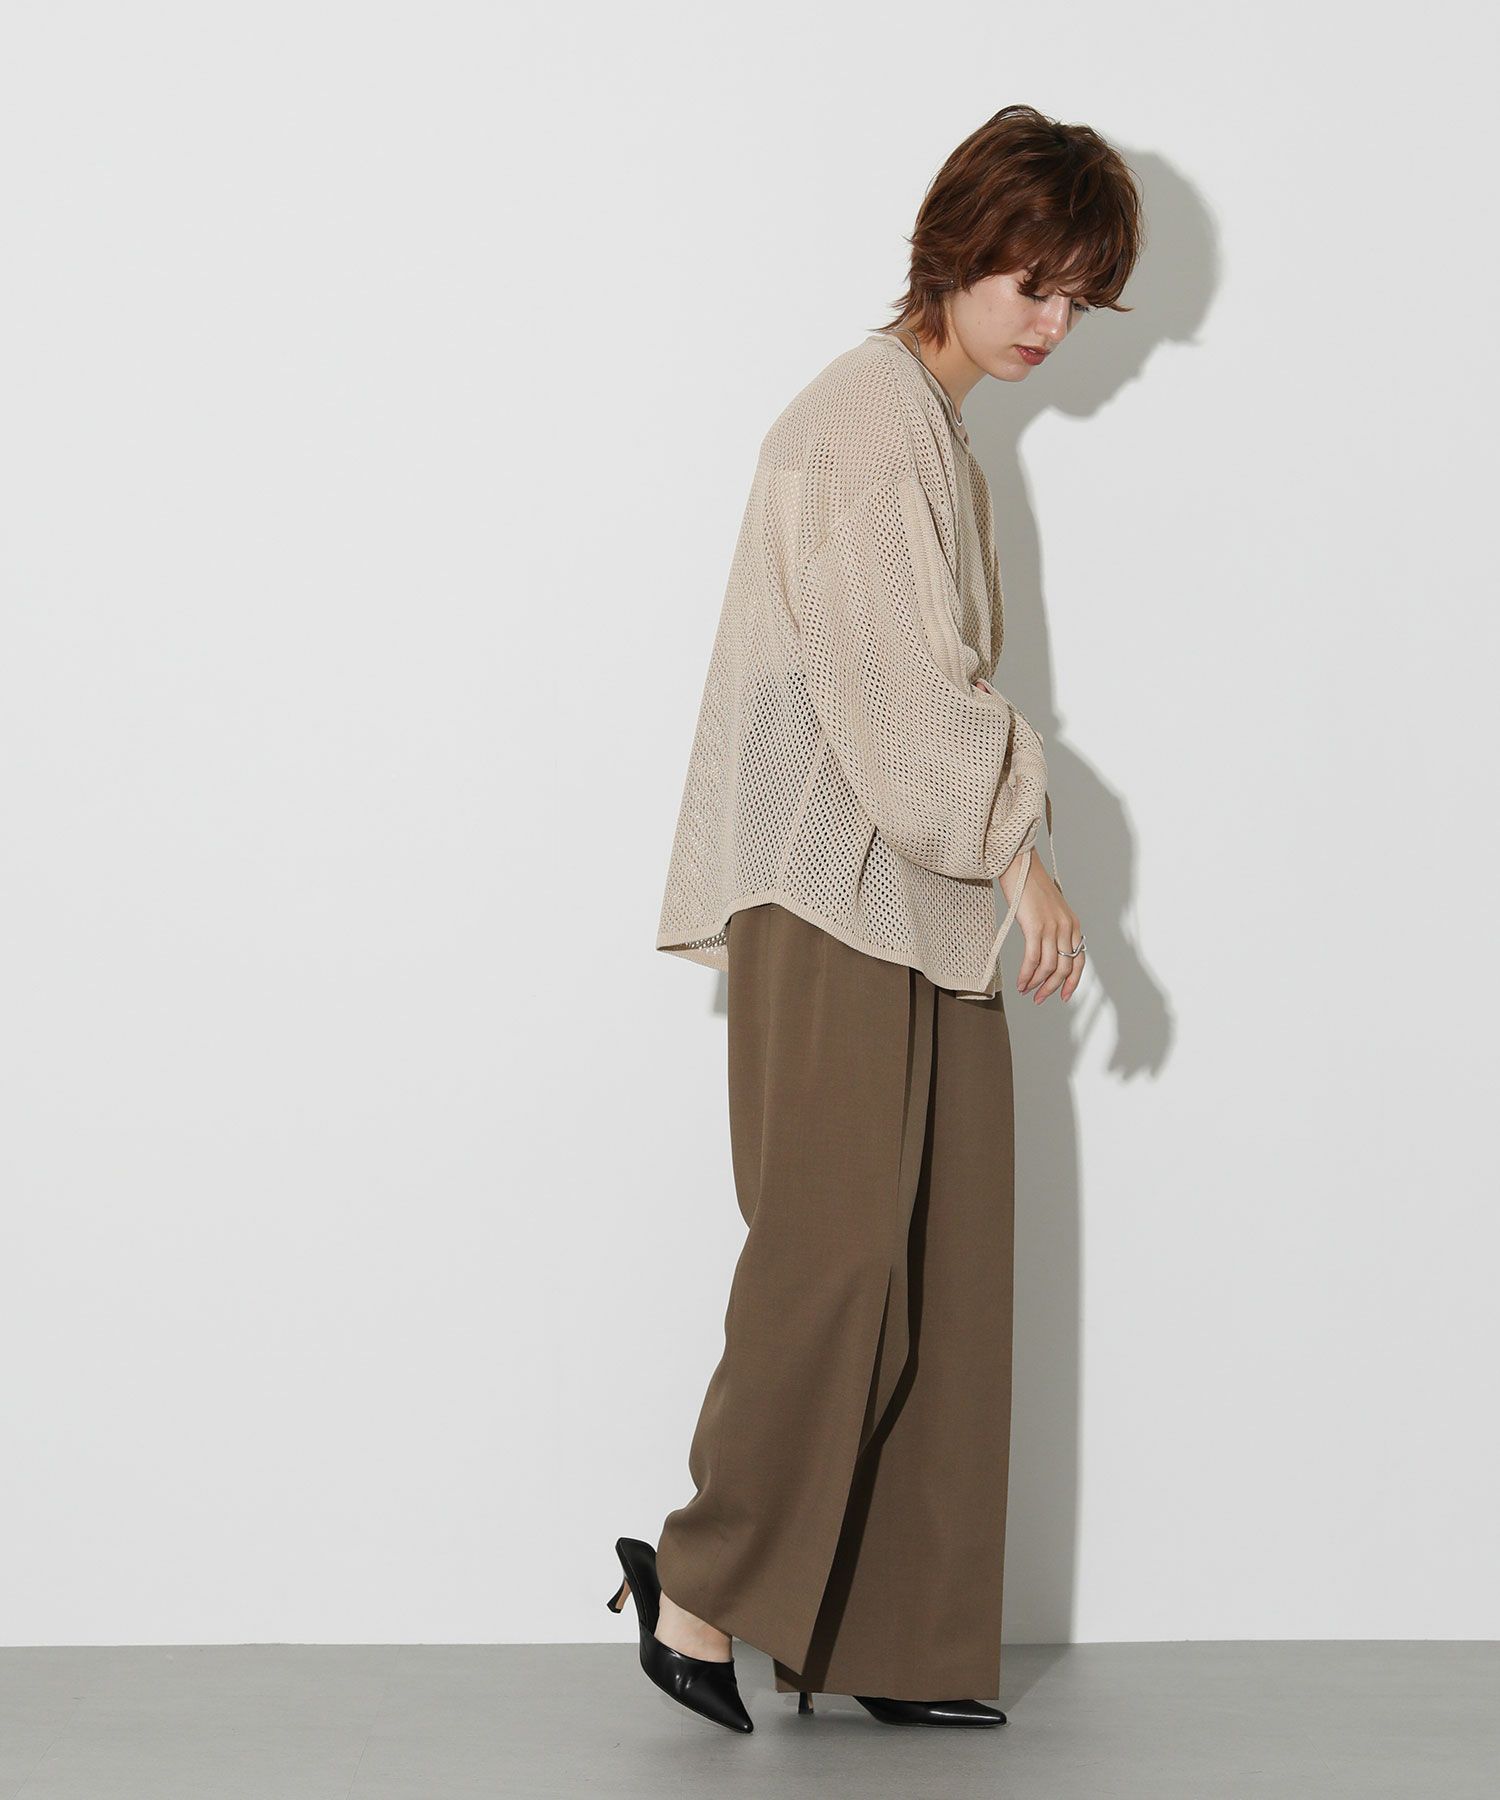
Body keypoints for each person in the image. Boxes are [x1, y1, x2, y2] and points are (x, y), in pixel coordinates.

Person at [609, 103, 1143, 1733]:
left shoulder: (931, 425)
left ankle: (890, 1641)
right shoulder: (861, 427)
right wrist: (1019, 851)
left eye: (1077, 298)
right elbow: (905, 701)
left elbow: (922, 693)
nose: (1051, 323)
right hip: (833, 893)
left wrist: (989, 857)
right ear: (955, 251)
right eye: (1032, 283)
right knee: (836, 1259)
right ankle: (696, 1583)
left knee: (943, 1267)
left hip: (916, 898)